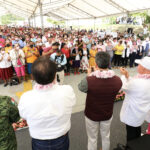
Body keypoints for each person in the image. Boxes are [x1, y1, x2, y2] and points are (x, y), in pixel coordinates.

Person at [18, 56, 76, 150]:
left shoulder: (26, 97)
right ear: (55, 75)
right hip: (61, 136)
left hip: (39, 139)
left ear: (32, 76)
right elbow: (72, 103)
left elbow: (23, 115)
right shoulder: (67, 90)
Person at [78, 52, 122, 150]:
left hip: (91, 114)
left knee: (92, 138)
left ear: (96, 65)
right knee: (106, 136)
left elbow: (81, 87)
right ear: (109, 64)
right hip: (107, 113)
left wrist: (89, 75)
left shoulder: (90, 80)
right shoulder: (117, 80)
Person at [120, 56, 150, 143]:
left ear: (144, 68)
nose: (137, 66)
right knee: (137, 129)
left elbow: (123, 86)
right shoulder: (143, 79)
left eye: (139, 65)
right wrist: (127, 76)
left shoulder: (137, 82)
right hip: (141, 112)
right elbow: (133, 84)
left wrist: (123, 76)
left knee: (131, 135)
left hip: (132, 113)